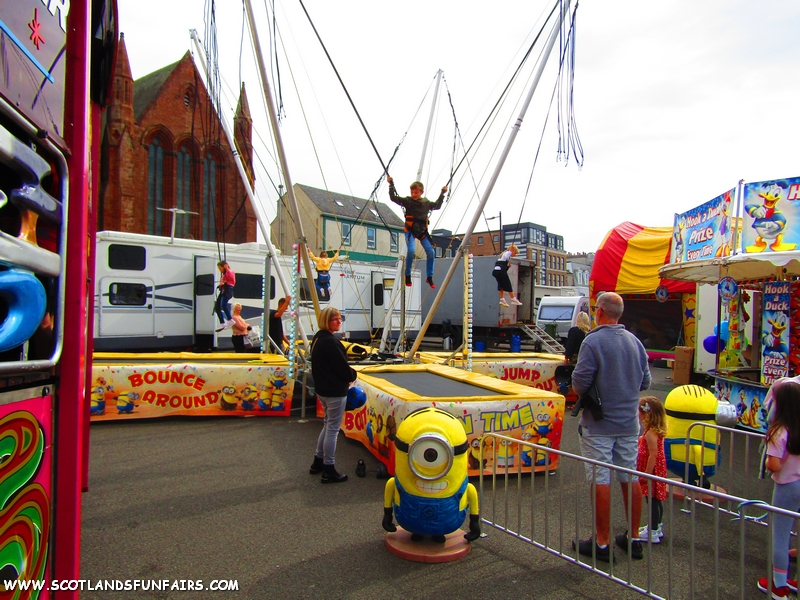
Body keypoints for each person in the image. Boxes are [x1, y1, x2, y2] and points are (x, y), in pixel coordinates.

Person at [571, 291, 652, 563]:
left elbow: (580, 384)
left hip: (599, 424)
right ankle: (634, 538)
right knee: (629, 476)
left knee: (601, 478)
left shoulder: (592, 342)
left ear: (600, 312)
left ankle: (602, 542)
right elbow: (646, 383)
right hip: (629, 423)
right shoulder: (635, 342)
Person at [759, 378, 800, 598]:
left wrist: (772, 463)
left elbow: (773, 464)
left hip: (787, 486)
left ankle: (779, 585)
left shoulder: (779, 431)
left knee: (780, 535)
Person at [309, 307, 357, 483]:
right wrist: (353, 376)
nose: (339, 321)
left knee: (328, 424)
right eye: (335, 319)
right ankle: (328, 468)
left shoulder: (318, 338)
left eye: (339, 318)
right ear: (326, 321)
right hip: (334, 391)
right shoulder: (330, 341)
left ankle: (318, 461)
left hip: (323, 389)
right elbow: (342, 367)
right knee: (333, 429)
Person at [387, 175, 447, 288]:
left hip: (422, 231)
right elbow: (394, 198)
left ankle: (429, 277)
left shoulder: (426, 203)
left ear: (421, 192)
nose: (413, 194)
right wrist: (391, 185)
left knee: (431, 252)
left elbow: (437, 206)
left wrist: (442, 194)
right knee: (411, 251)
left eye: (416, 192)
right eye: (412, 192)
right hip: (410, 230)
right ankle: (408, 274)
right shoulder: (408, 201)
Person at [636, 396, 668, 544]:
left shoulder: (650, 434)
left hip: (652, 471)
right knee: (656, 499)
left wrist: (646, 474)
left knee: (653, 500)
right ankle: (656, 527)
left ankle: (653, 530)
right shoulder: (653, 431)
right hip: (657, 470)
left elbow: (653, 454)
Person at [214, 260, 236, 328]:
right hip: (223, 290)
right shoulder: (224, 274)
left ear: (225, 266)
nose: (220, 270)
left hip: (228, 290)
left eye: (220, 268)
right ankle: (222, 323)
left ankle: (230, 319)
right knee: (217, 307)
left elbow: (232, 280)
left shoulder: (230, 272)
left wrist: (226, 269)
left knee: (223, 305)